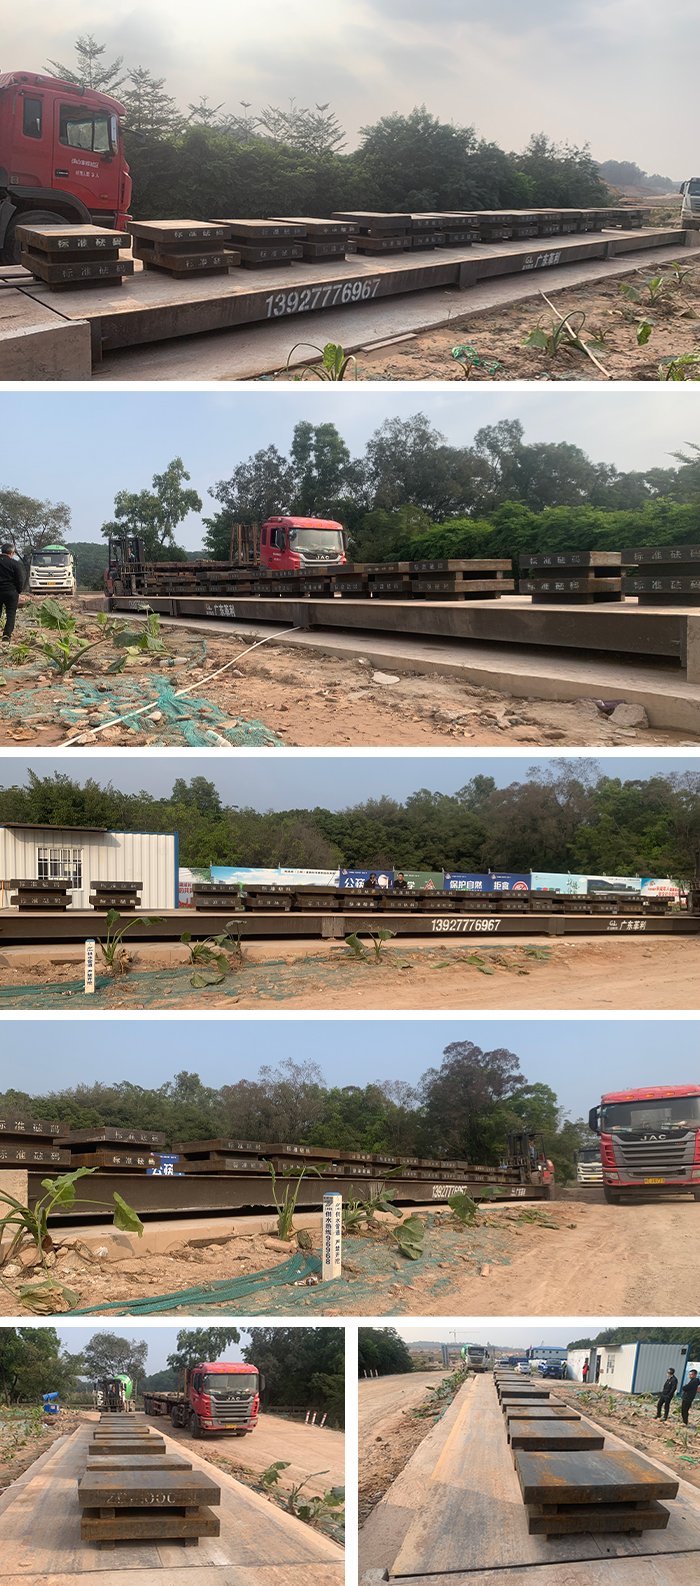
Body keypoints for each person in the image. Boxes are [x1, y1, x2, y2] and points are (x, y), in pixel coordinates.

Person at [0, 541, 24, 642]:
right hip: (11, 592)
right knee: (11, 614)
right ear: (12, 553)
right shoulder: (14, 564)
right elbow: (19, 579)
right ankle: (6, 636)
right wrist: (18, 590)